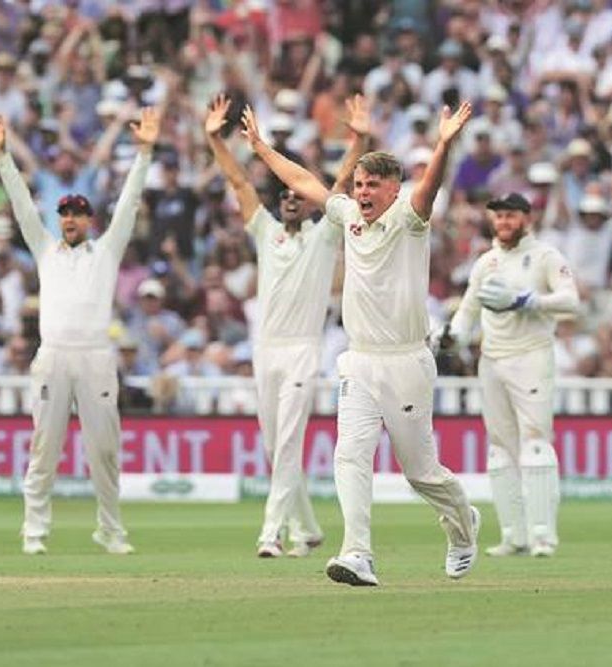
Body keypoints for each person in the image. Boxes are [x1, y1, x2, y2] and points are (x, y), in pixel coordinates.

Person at [242, 101, 480, 586]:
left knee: (420, 473)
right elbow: (307, 182)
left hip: (408, 361)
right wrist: (262, 149)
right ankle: (357, 553)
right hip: (360, 361)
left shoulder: (410, 219)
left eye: (373, 185)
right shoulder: (348, 214)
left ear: (394, 190)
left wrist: (443, 144)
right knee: (350, 453)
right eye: (359, 184)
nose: (363, 192)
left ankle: (462, 524)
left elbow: (430, 187)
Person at [204, 94, 369, 558]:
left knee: (291, 440)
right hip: (265, 348)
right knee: (276, 448)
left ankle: (271, 532)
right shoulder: (265, 232)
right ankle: (309, 528)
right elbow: (238, 183)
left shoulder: (324, 234)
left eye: (299, 195)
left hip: (301, 349)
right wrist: (215, 139)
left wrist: (358, 140)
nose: (293, 199)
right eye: (287, 195)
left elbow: (338, 185)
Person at [0, 107, 157, 556]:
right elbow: (24, 206)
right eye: (64, 214)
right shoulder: (45, 250)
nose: (69, 220)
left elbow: (129, 204)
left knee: (103, 450)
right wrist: (3, 157)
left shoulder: (106, 251)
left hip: (97, 357)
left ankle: (111, 530)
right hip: (54, 356)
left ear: (89, 222)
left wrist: (144, 154)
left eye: (78, 215)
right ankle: (34, 530)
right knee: (44, 447)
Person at [444, 192, 579, 558]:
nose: (503, 222)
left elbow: (571, 300)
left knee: (535, 443)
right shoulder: (486, 262)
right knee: (500, 451)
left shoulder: (545, 257)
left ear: (526, 219)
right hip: (492, 360)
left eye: (510, 216)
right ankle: (513, 535)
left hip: (531, 356)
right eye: (498, 216)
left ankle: (542, 536)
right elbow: (469, 309)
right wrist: (453, 336)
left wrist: (526, 300)